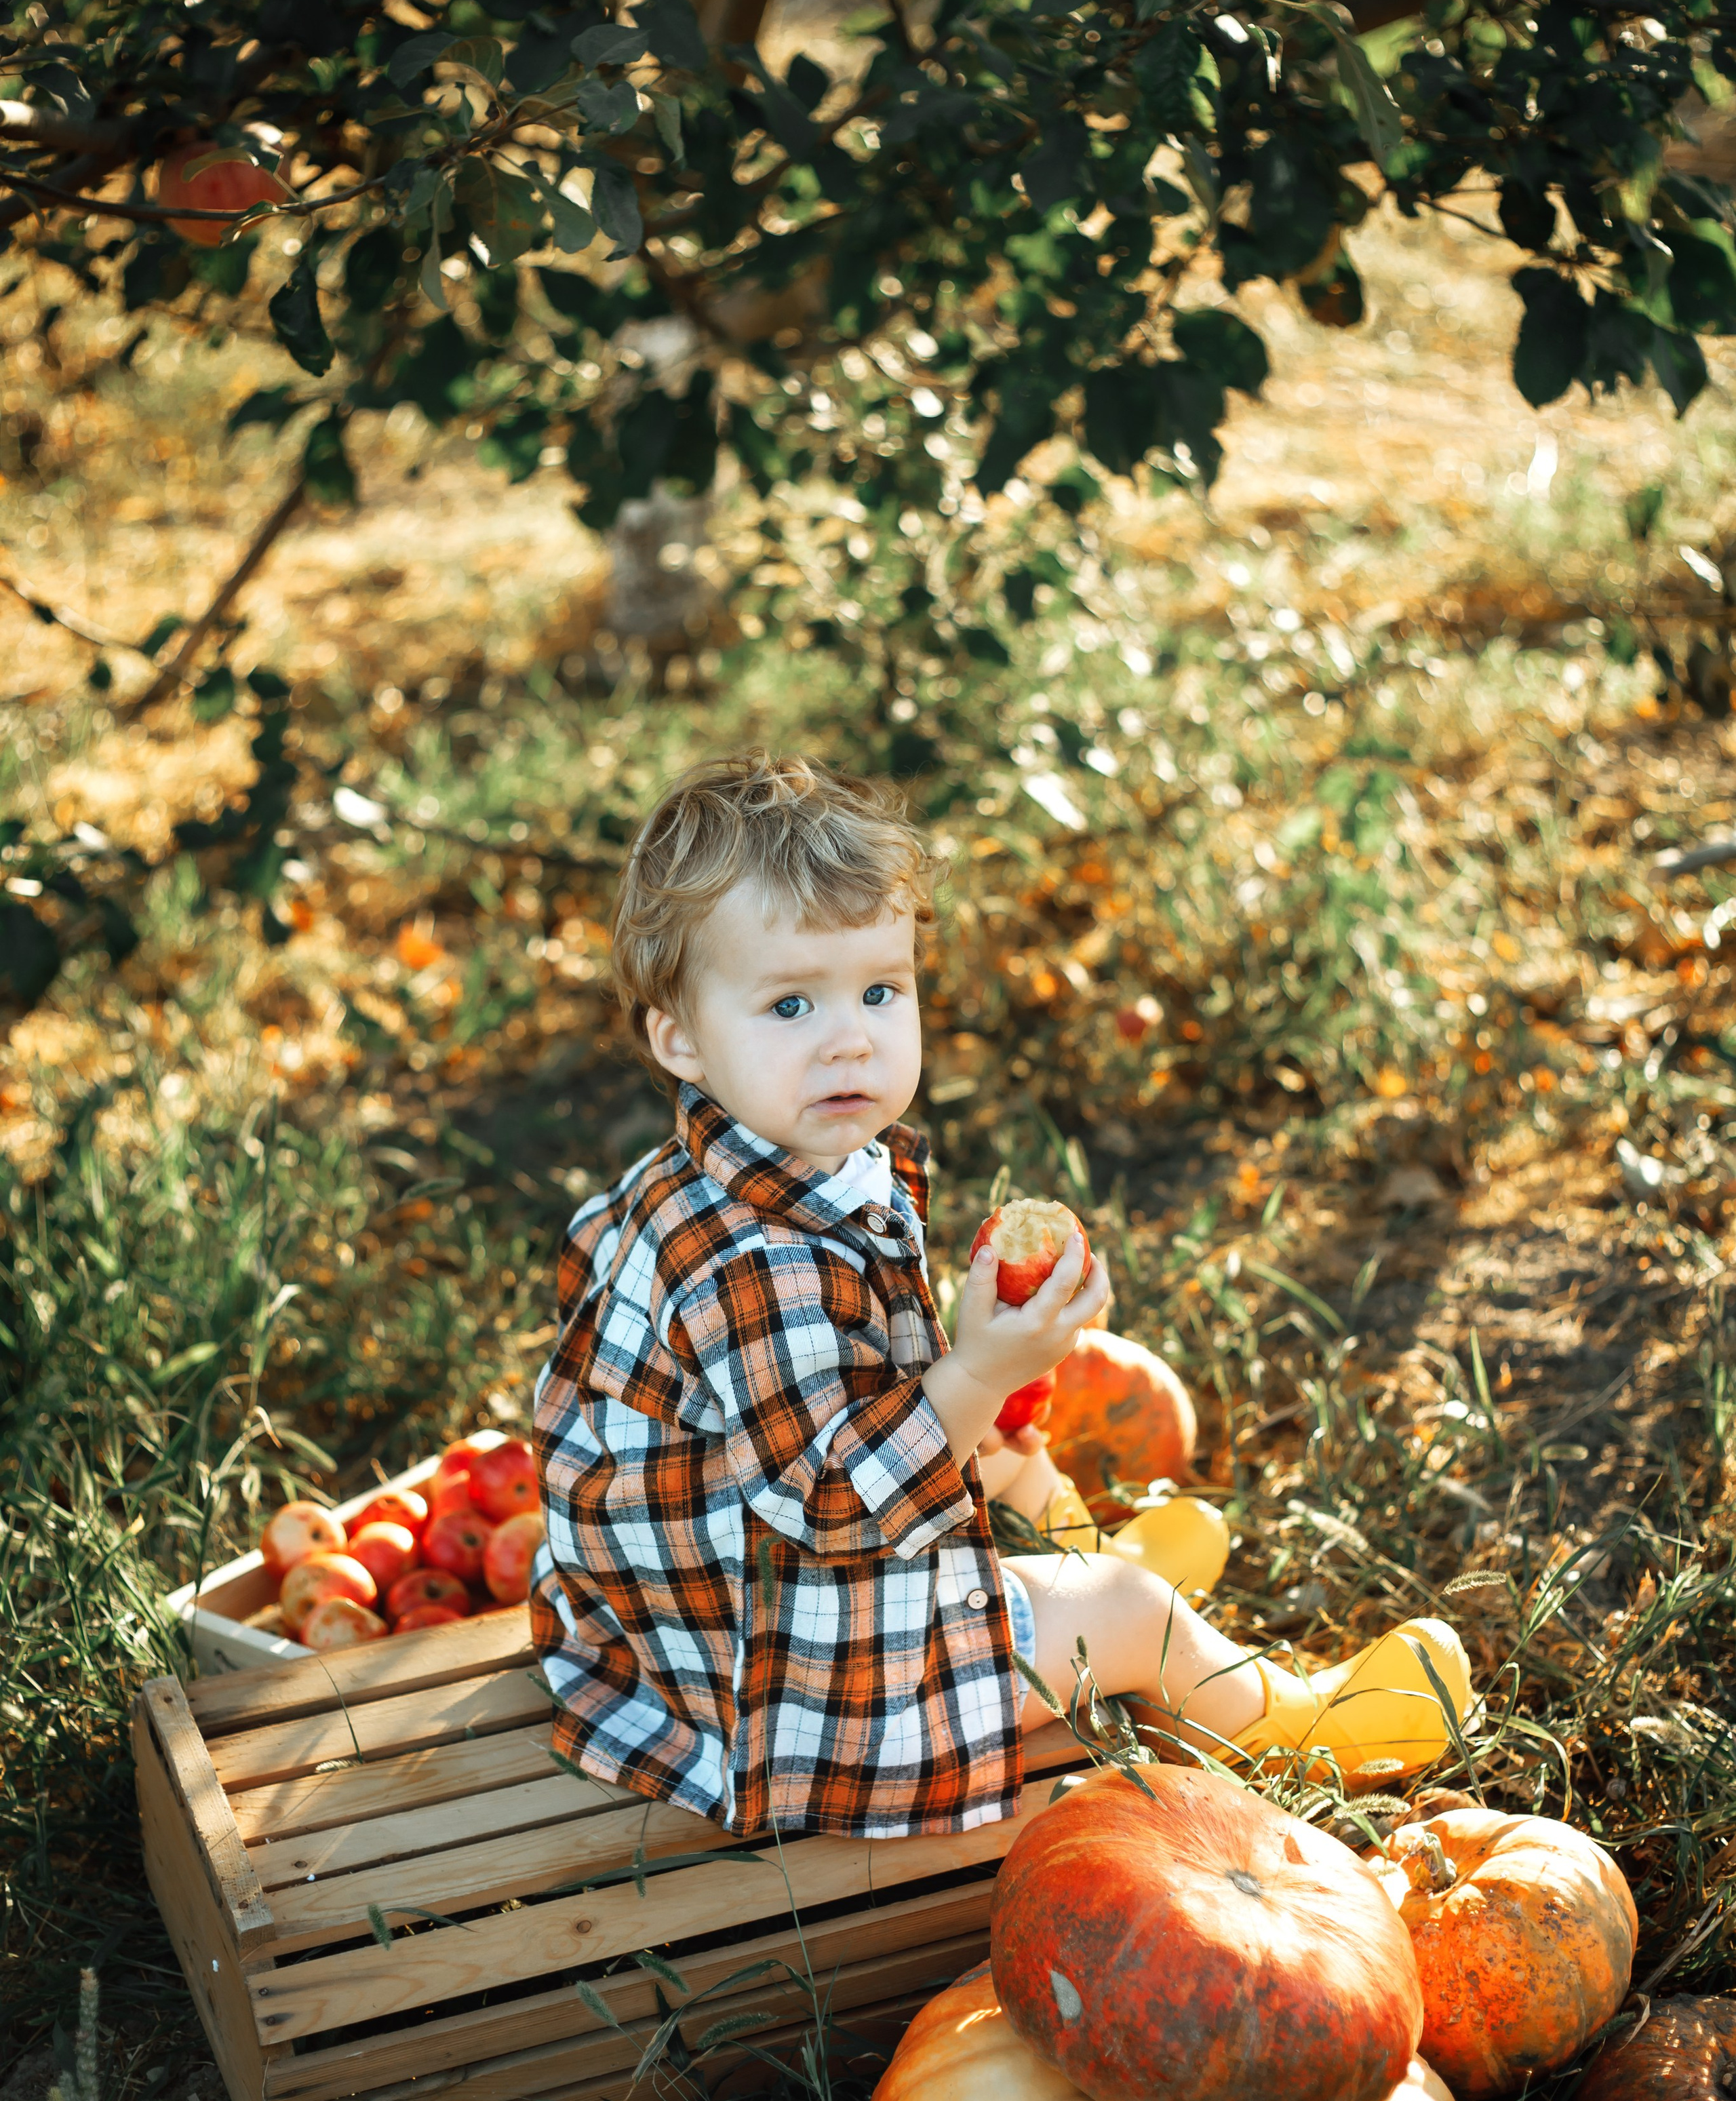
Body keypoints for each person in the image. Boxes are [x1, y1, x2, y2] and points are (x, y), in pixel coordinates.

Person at [532, 753, 1470, 1839]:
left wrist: (974, 1387)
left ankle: (1071, 1566)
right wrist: (980, 1370)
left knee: (1001, 1445)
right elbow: (841, 1501)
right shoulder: (757, 1265)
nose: (852, 1036)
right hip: (790, 1700)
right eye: (791, 1003)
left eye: (881, 990)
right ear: (679, 1039)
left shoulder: (715, 1180)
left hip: (670, 1629)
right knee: (1125, 1615)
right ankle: (1311, 1720)